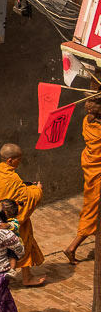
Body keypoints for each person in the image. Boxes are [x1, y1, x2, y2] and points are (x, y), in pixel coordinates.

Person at [0, 143, 45, 287]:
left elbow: (9, 191)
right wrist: (37, 190)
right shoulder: (12, 178)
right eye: (18, 159)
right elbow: (27, 198)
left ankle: (17, 275)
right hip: (11, 219)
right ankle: (26, 278)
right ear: (10, 160)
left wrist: (27, 186)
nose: (20, 162)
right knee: (23, 245)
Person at [66, 98, 101, 265]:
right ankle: (72, 247)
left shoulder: (87, 122)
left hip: (91, 167)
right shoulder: (98, 129)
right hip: (97, 173)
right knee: (92, 211)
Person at [0, 198, 21, 272]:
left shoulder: (13, 221)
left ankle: (12, 270)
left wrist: (8, 225)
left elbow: (15, 226)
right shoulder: (0, 219)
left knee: (12, 255)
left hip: (12, 244)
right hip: (3, 244)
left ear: (5, 212)